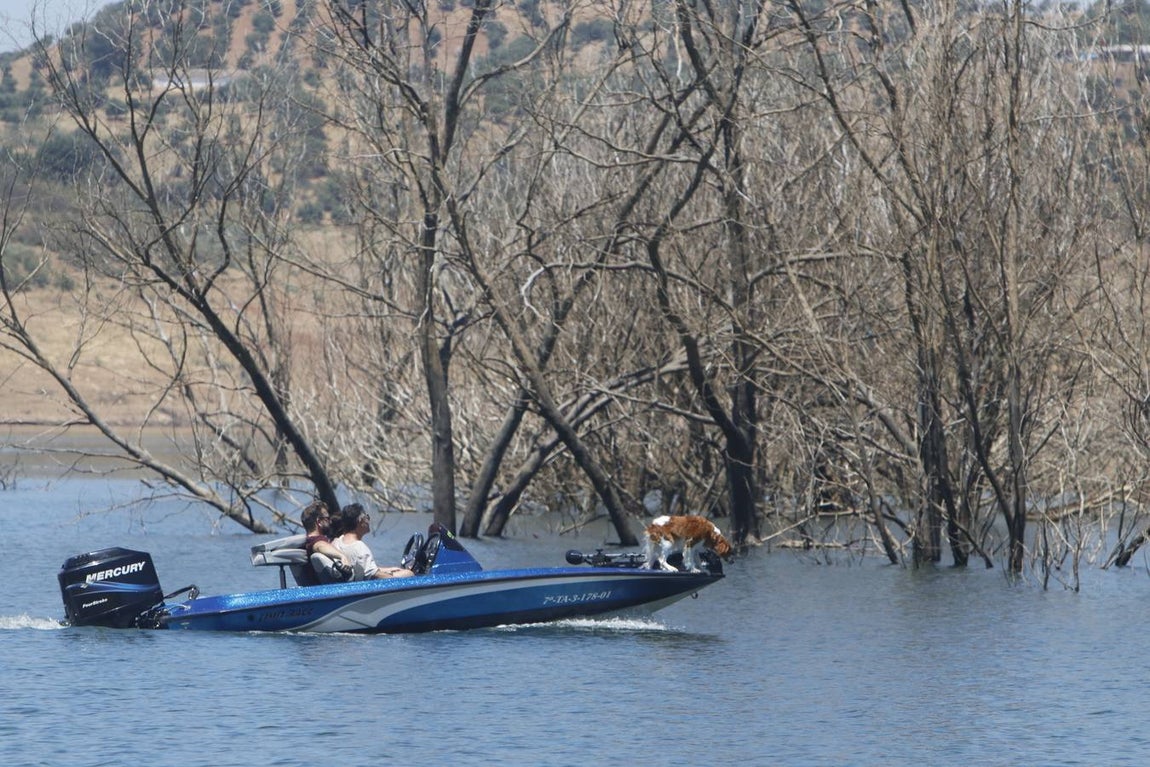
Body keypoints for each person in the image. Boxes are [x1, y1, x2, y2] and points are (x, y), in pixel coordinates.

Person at [332, 503, 414, 580]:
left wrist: (390, 570)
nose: (368, 521)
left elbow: (363, 568)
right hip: (366, 589)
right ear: (360, 520)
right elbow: (374, 575)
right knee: (408, 573)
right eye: (367, 517)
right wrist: (399, 578)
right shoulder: (359, 547)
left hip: (350, 582)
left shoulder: (336, 543)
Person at [300, 502, 353, 582]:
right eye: (327, 519)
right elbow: (319, 546)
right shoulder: (315, 541)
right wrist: (342, 556)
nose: (330, 522)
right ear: (319, 522)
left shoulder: (305, 543)